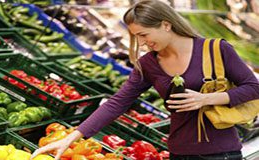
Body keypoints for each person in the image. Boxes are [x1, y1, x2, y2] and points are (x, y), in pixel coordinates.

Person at [31, 0, 259, 160]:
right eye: (136, 37)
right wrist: (72, 137)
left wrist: (208, 98)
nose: (141, 43)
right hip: (178, 152)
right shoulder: (149, 64)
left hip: (222, 153)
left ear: (166, 25)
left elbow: (254, 87)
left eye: (143, 35)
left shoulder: (216, 49)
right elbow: (117, 103)